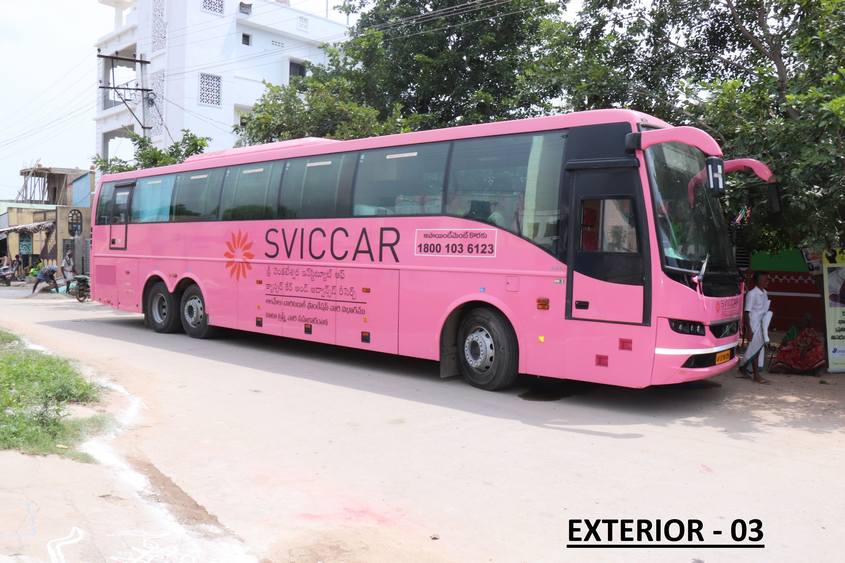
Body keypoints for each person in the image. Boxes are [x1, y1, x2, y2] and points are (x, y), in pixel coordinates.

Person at [739, 271, 772, 383]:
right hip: (753, 325)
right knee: (755, 350)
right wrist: (749, 329)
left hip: (761, 325)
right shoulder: (752, 294)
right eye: (764, 280)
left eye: (767, 279)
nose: (767, 281)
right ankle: (756, 375)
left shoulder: (765, 293)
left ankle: (743, 368)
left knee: (755, 349)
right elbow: (746, 312)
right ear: (758, 281)